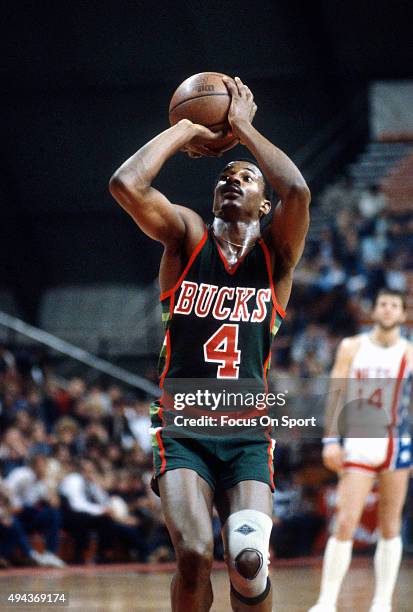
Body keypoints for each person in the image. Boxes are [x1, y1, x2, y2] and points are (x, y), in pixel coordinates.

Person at [109, 76, 310, 611]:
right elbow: (126, 184)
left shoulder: (276, 258)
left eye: (246, 176)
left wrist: (243, 129)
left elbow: (299, 191)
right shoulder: (188, 236)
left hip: (246, 433)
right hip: (183, 429)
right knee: (195, 554)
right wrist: (187, 128)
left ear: (265, 205)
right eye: (224, 174)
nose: (233, 179)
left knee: (248, 561)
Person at [309, 289, 413, 612]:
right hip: (359, 439)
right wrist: (330, 440)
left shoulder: (409, 352)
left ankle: (381, 603)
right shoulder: (352, 346)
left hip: (396, 441)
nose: (387, 309)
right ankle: (326, 602)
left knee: (390, 525)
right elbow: (336, 393)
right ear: (374, 310)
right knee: (344, 523)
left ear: (402, 314)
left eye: (394, 305)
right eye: (383, 304)